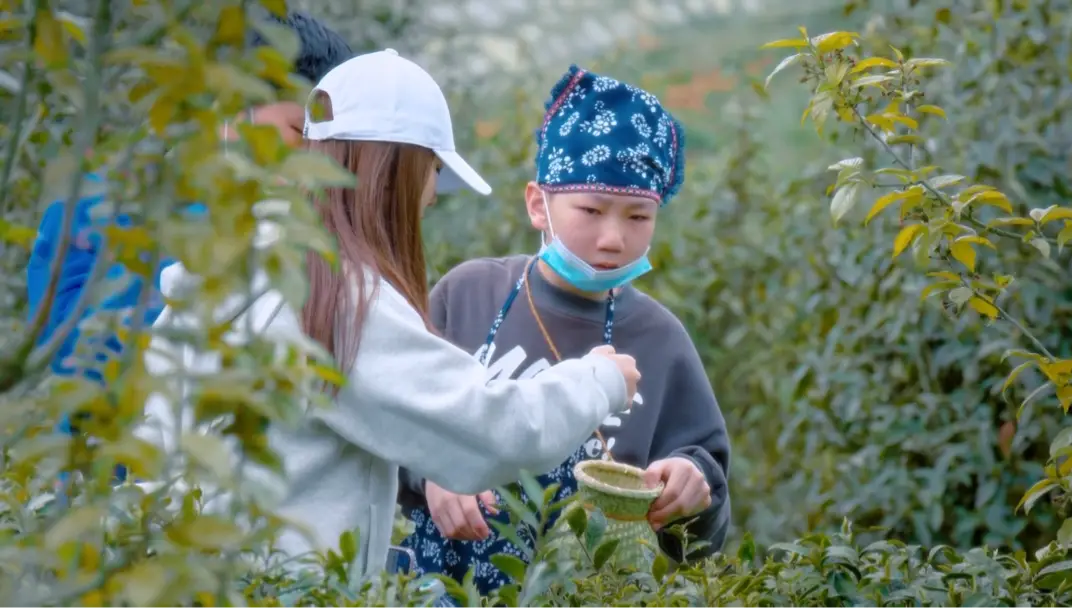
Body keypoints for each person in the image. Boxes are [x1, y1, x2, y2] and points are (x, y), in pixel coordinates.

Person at [133, 50, 643, 578]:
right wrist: (600, 379)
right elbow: (494, 429)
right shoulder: (332, 298)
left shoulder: (235, 264)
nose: (429, 199)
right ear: (397, 170)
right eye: (433, 172)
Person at [397, 65, 732, 596]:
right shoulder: (467, 295)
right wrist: (427, 476)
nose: (612, 239)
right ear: (538, 204)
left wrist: (694, 486)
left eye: (638, 217)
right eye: (591, 209)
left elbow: (706, 532)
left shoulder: (661, 341)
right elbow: (390, 427)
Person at [24, 10, 354, 461]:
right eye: (299, 131)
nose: (311, 158)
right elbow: (83, 371)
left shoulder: (300, 237)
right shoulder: (92, 218)